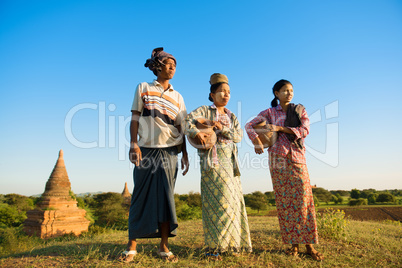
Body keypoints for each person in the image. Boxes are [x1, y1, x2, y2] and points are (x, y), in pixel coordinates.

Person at [120, 47, 189, 263]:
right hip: (146, 150)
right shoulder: (143, 88)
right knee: (140, 195)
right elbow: (135, 118)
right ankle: (132, 247)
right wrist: (134, 144)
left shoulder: (178, 96)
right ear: (157, 66)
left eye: (175, 65)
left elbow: (182, 127)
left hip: (170, 151)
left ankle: (164, 247)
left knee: (167, 198)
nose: (172, 68)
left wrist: (185, 152)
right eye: (168, 64)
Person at [245, 79, 323, 261]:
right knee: (285, 203)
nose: (289, 93)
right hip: (277, 160)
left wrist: (280, 128)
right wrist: (256, 141)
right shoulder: (269, 112)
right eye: (285, 90)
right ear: (276, 93)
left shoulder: (299, 110)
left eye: (291, 90)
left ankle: (309, 245)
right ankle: (293, 245)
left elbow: (305, 130)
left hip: (297, 158)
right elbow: (249, 125)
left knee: (304, 201)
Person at [184, 73, 252, 258]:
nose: (226, 95)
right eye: (221, 91)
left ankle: (233, 245)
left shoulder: (231, 115)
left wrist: (222, 128)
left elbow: (238, 136)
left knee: (232, 204)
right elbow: (186, 122)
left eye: (228, 92)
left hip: (230, 163)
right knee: (216, 204)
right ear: (212, 94)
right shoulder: (204, 111)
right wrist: (197, 132)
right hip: (211, 163)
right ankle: (215, 248)